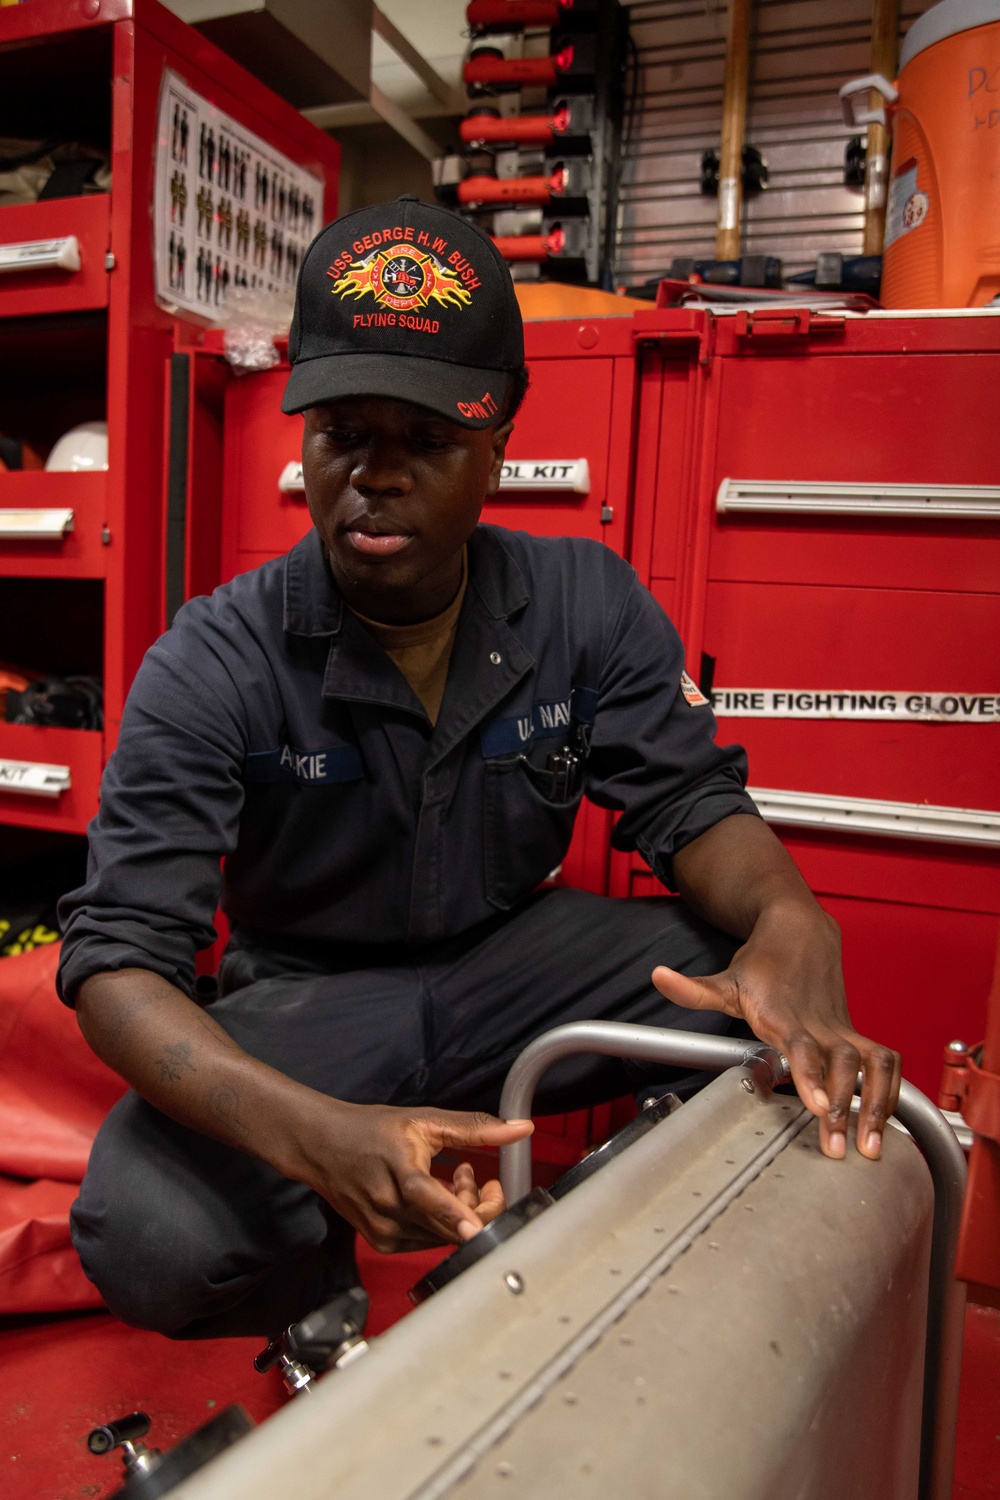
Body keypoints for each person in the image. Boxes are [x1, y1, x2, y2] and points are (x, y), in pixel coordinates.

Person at [57, 198, 900, 1340]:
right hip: (311, 998)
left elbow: (691, 801)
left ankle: (614, 1264)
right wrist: (317, 1137)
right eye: (344, 434)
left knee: (754, 996)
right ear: (302, 439)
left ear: (498, 446)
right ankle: (319, 1290)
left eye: (427, 442)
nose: (376, 476)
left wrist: (796, 925)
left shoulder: (583, 603)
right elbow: (116, 966)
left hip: (517, 963)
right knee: (148, 1231)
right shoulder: (214, 657)